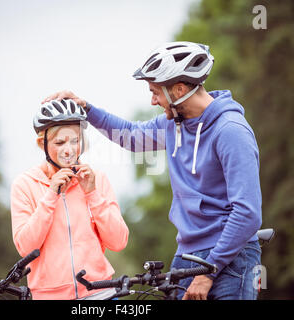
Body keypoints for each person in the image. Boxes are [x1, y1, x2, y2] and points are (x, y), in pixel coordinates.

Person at [43, 41, 263, 300]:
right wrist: (87, 110)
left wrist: (208, 273)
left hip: (231, 259)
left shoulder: (230, 131)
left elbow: (247, 213)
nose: (152, 100)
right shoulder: (175, 124)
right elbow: (131, 136)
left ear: (179, 90)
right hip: (188, 256)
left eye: (155, 92)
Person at [10, 98, 129, 300]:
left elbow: (118, 241)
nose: (69, 150)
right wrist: (50, 196)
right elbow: (26, 247)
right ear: (42, 143)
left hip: (100, 292)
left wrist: (92, 193)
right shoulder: (24, 185)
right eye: (60, 142)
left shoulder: (97, 180)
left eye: (75, 141)